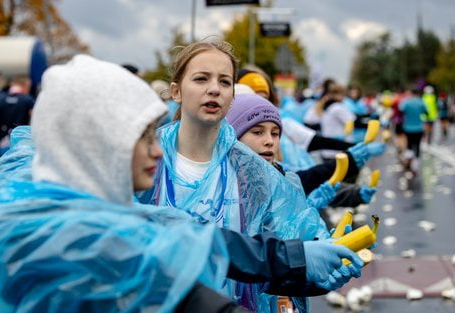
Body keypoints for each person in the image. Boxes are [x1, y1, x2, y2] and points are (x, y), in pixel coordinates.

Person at [0, 55, 244, 313]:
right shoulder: (88, 244)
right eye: (143, 136)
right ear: (99, 139)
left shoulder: (42, 218)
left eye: (225, 81)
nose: (158, 151)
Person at [139, 39, 363, 313]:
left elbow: (282, 255)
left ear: (232, 95)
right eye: (201, 79)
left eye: (224, 82)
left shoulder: (252, 171)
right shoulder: (145, 159)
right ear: (176, 91)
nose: (214, 89)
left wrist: (320, 273)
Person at [226, 93, 381, 209]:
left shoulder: (275, 172)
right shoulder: (224, 184)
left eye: (275, 134)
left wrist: (352, 194)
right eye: (258, 132)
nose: (269, 141)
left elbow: (301, 181)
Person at [0, 75, 34, 167]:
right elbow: (35, 122)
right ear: (25, 85)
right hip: (21, 143)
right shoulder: (28, 100)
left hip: (0, 144)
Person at [399, 88, 427, 173]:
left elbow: (401, 109)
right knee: (417, 146)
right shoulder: (420, 102)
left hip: (408, 128)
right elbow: (426, 111)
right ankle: (415, 166)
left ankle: (408, 161)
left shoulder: (407, 102)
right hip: (419, 128)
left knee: (409, 145)